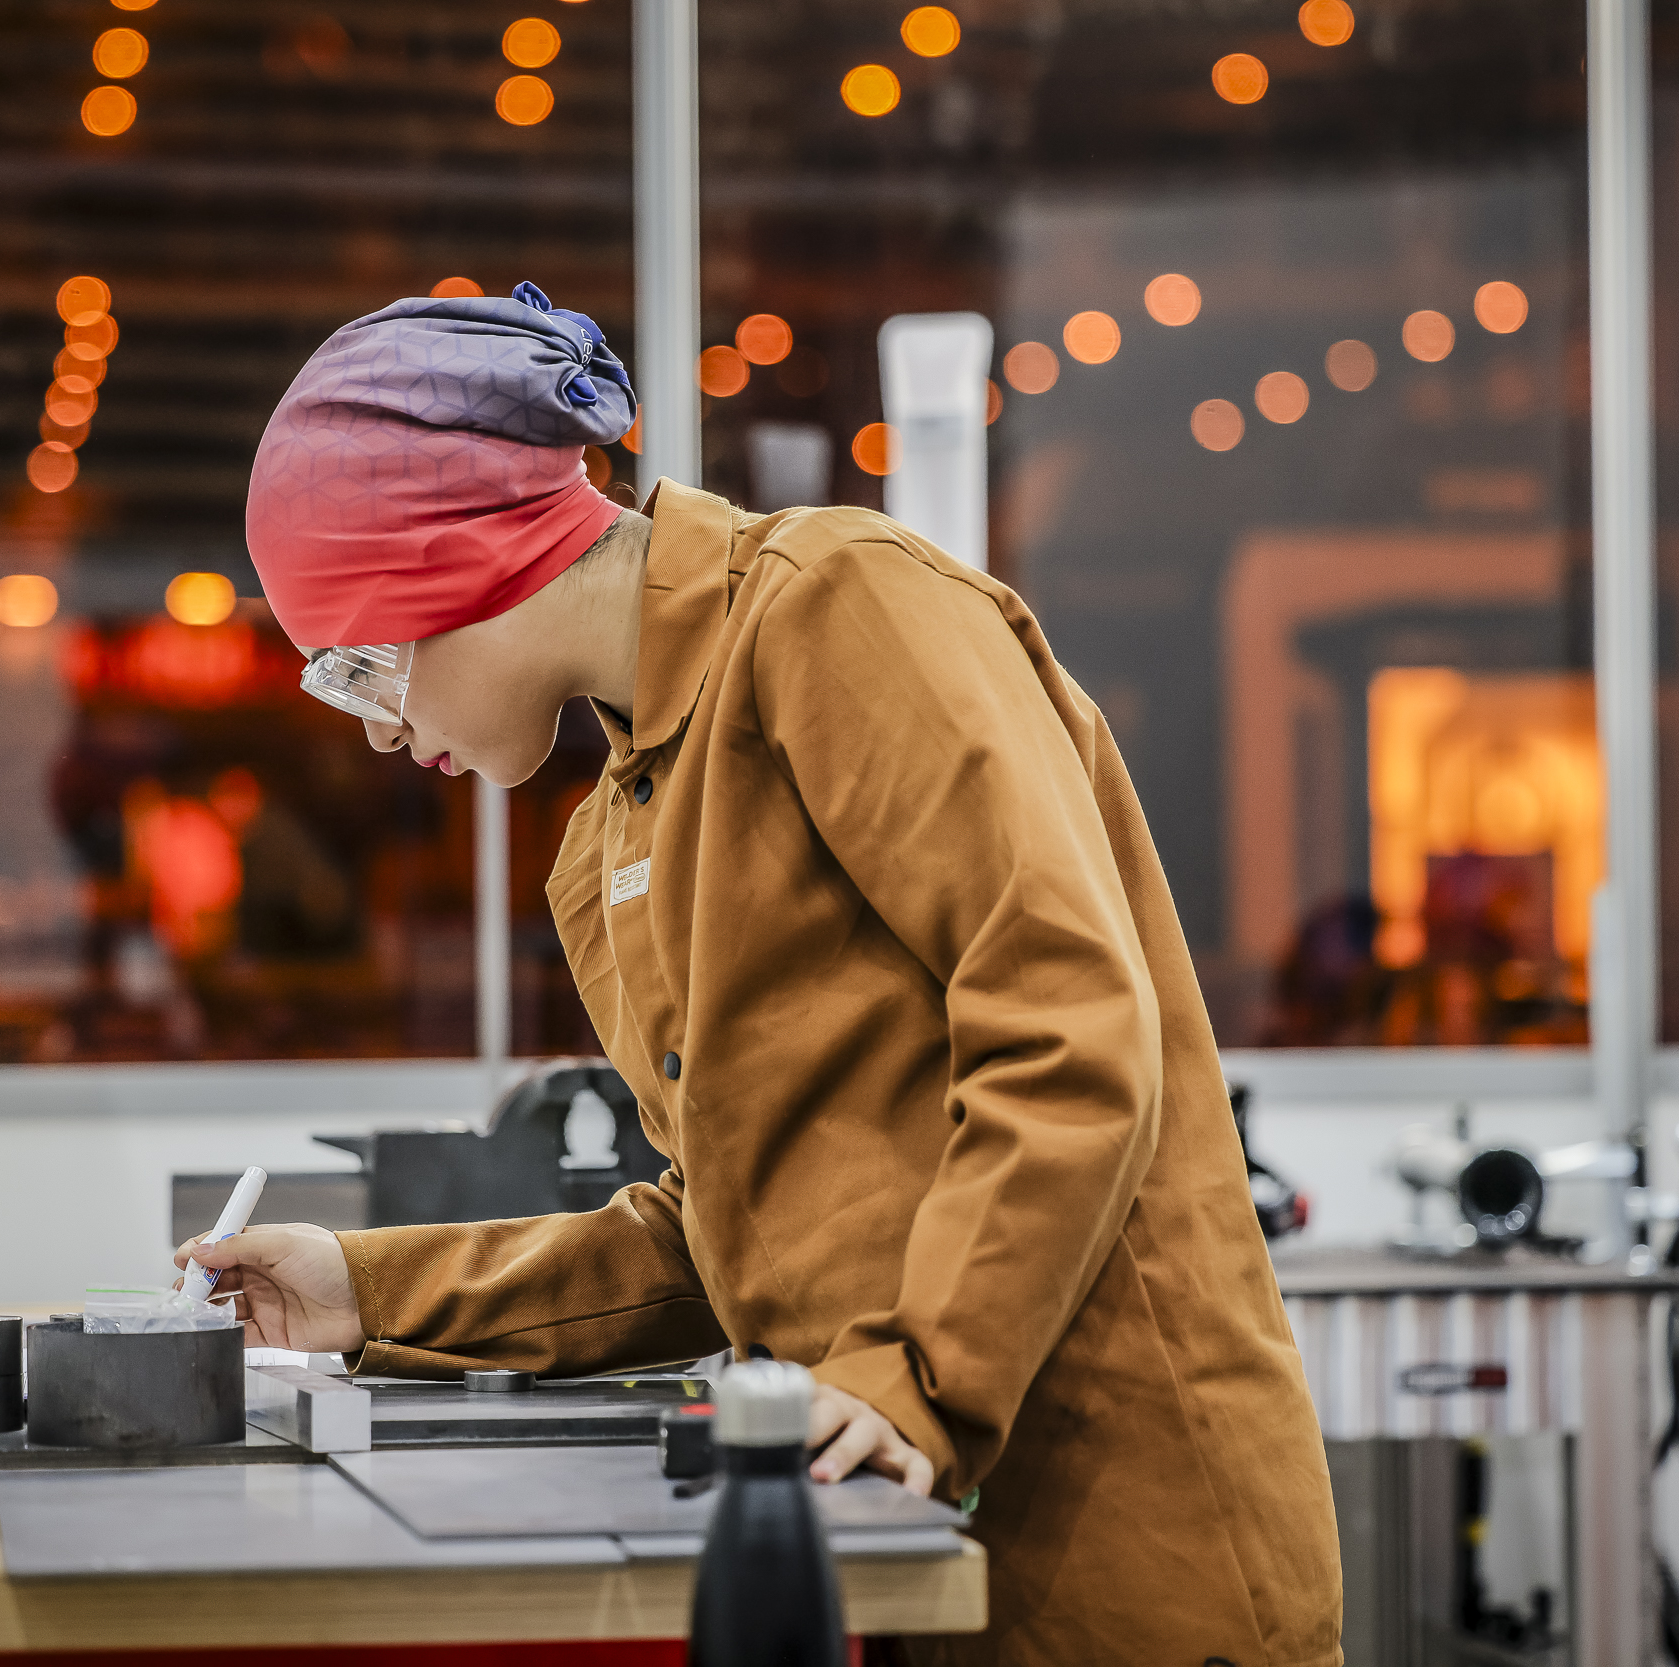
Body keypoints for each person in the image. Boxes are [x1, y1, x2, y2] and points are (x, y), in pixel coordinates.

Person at [185, 283, 1344, 1666]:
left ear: (455, 566)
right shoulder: (618, 835)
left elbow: (1073, 1033)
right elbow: (716, 1234)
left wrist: (919, 1379)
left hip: (1117, 1535)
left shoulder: (834, 611)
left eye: (357, 666)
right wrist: (369, 1292)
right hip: (877, 1519)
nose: (377, 730)